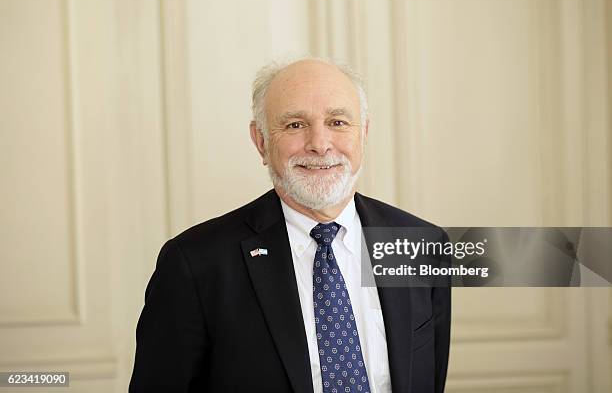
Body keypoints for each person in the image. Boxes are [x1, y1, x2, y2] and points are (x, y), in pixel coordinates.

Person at [129, 58, 451, 392]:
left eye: (338, 122)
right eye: (296, 125)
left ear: (364, 133)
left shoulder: (421, 246)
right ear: (261, 141)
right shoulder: (194, 263)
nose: (320, 144)